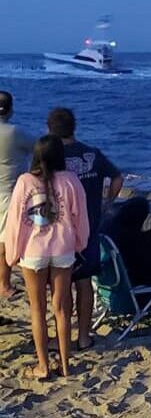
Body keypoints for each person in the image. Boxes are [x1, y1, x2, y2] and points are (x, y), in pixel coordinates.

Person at [4, 135, 89, 379]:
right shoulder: (71, 180)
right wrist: (80, 243)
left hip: (33, 252)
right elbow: (80, 217)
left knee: (38, 311)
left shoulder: (25, 181)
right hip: (63, 250)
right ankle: (65, 364)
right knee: (62, 309)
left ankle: (43, 366)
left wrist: (12, 254)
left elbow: (16, 222)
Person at [47, 107, 123, 351]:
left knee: (62, 284)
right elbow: (118, 178)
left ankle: (63, 335)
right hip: (89, 225)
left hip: (59, 230)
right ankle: (84, 336)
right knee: (84, 282)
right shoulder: (92, 153)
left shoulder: (51, 158)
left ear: (50, 129)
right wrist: (106, 202)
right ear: (74, 127)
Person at [0, 91, 34, 302]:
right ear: (10, 109)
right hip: (8, 194)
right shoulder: (14, 132)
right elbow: (41, 147)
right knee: (4, 241)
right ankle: (4, 284)